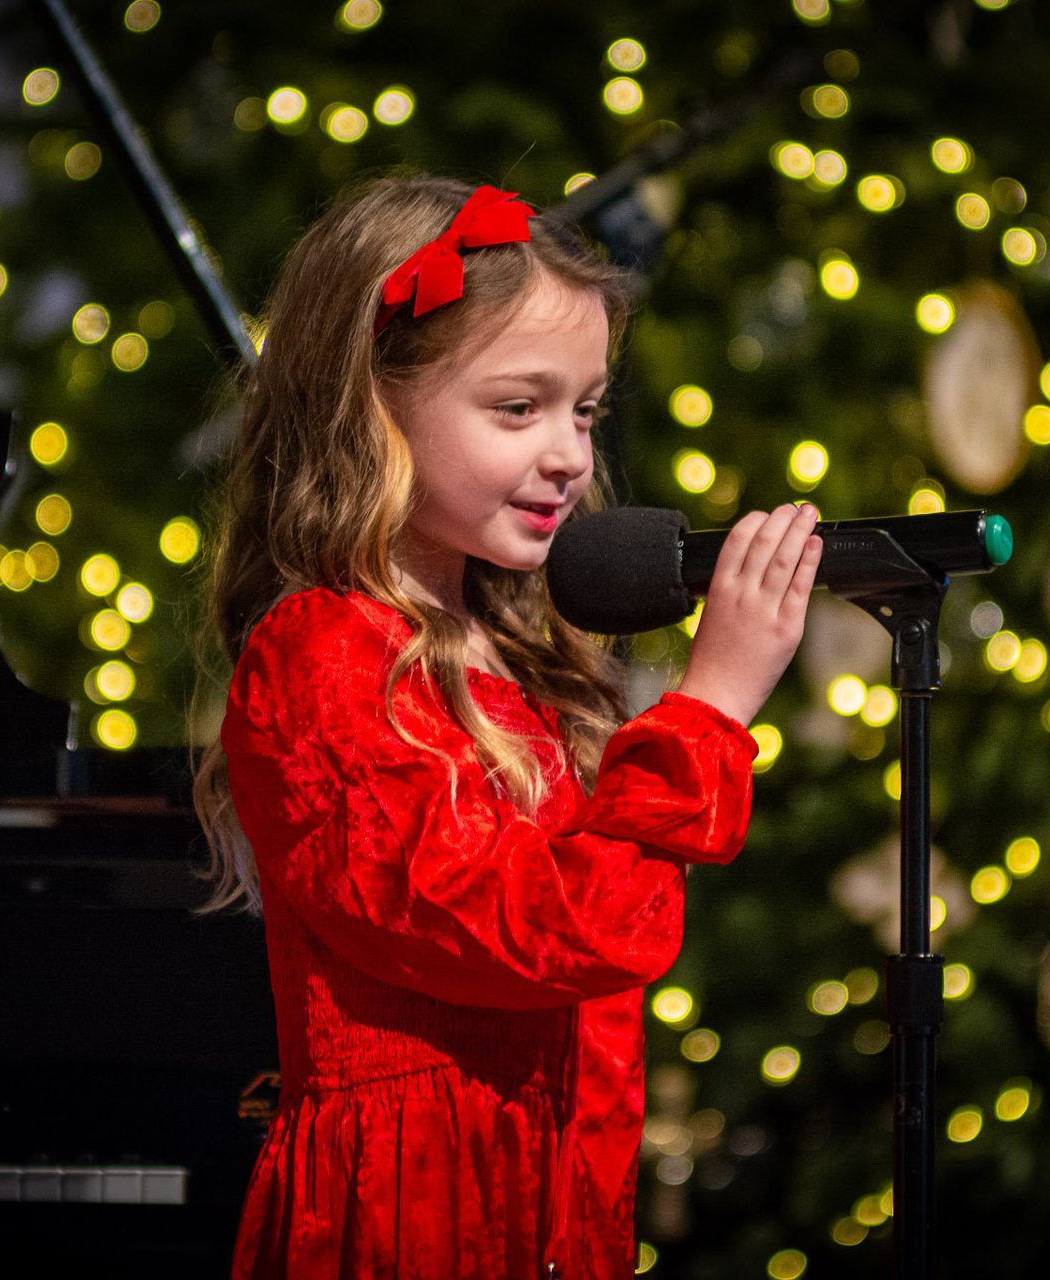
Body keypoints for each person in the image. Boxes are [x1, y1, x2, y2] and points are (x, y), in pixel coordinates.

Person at [190, 173, 823, 1279]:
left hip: (548, 1208)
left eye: (583, 409)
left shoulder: (518, 658)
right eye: (518, 407)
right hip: (413, 1220)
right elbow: (546, 928)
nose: (572, 455)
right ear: (371, 401)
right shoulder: (320, 661)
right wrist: (711, 706)